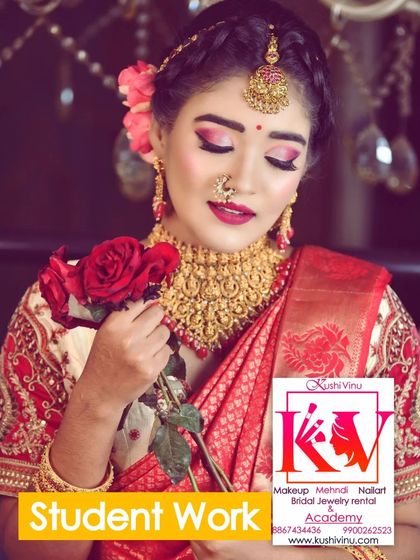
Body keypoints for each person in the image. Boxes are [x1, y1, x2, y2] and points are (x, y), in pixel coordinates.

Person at [0, 1, 419, 559]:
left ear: (302, 172)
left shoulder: (347, 316)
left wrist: (267, 553)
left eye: (280, 157)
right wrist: (96, 402)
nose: (242, 180)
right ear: (158, 132)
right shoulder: (66, 311)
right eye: (217, 143)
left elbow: (402, 536)